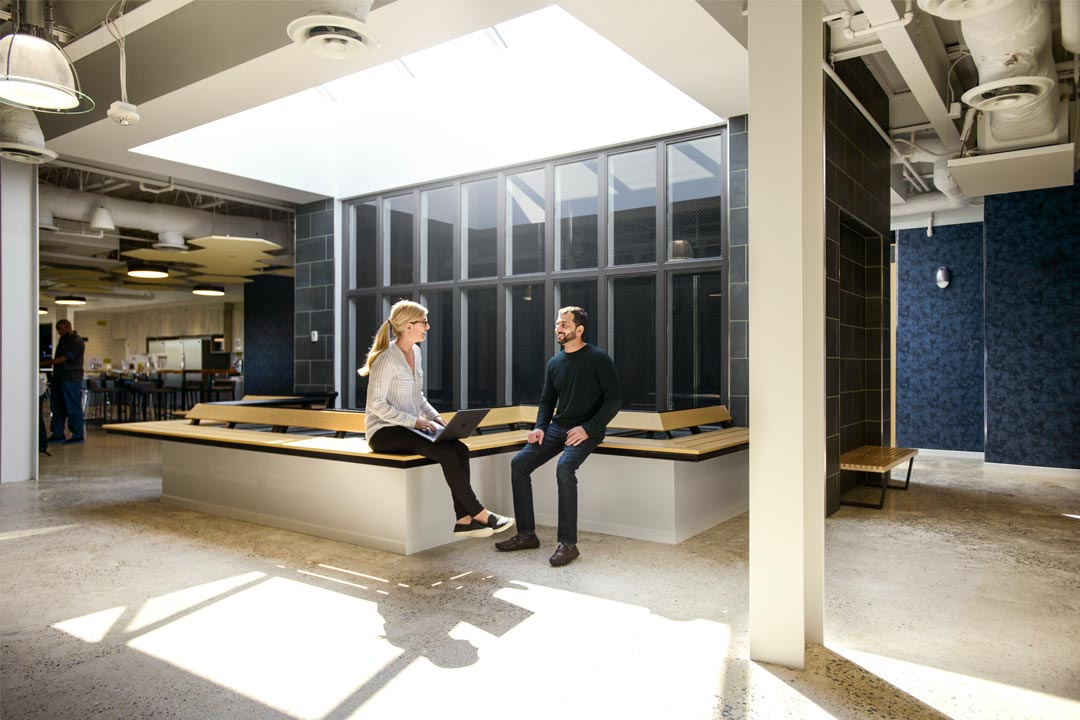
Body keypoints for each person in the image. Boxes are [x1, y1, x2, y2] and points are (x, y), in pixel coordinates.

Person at [360, 300, 513, 538]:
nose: (428, 327)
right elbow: (375, 405)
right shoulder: (386, 359)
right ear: (408, 326)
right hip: (384, 431)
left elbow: (417, 395)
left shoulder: (416, 353)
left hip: (410, 428)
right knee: (446, 452)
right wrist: (415, 422)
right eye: (424, 322)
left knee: (459, 448)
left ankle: (463, 521)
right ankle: (479, 513)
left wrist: (434, 417)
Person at [496, 306, 622, 566]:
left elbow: (614, 400)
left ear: (579, 329)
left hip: (587, 430)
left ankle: (568, 544)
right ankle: (526, 534)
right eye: (557, 324)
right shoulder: (555, 363)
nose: (558, 329)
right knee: (519, 464)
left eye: (564, 324)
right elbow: (546, 400)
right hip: (558, 427)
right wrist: (540, 427)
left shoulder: (598, 358)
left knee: (564, 467)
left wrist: (588, 428)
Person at [47, 318, 86, 444]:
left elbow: (64, 358)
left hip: (71, 378)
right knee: (57, 407)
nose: (58, 331)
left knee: (72, 406)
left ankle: (77, 434)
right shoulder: (63, 339)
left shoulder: (76, 341)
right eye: (57, 329)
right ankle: (57, 433)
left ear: (68, 327)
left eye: (60, 328)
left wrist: (46, 363)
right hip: (59, 377)